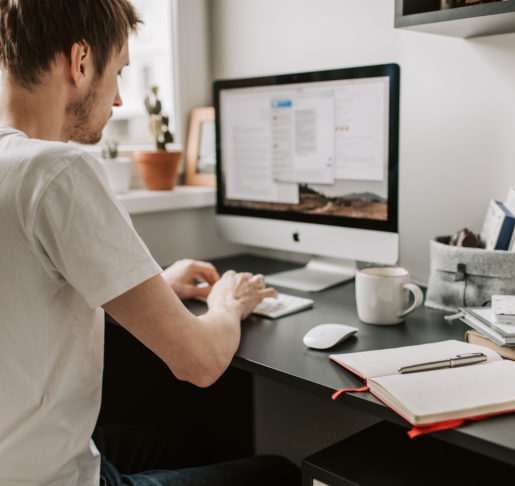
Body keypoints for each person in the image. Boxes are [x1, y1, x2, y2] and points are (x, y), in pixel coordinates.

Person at [0, 1, 300, 485]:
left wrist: (155, 284)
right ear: (80, 62)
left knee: (194, 440)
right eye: (117, 72)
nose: (118, 100)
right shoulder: (57, 171)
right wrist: (226, 304)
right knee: (278, 472)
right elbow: (200, 364)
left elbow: (25, 294)